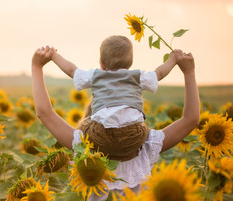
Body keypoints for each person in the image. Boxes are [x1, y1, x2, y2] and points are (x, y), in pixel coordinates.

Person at [31, 44, 199, 199]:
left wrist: (37, 67)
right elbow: (190, 119)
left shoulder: (84, 144)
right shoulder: (146, 145)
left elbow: (44, 113)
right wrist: (189, 72)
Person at [50, 35, 178, 161]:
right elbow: (159, 73)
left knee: (84, 124)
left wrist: (54, 56)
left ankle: (83, 158)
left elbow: (72, 71)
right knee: (144, 127)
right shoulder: (137, 77)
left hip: (102, 135)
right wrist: (173, 59)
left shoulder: (96, 76)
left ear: (101, 63)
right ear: (130, 63)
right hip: (134, 137)